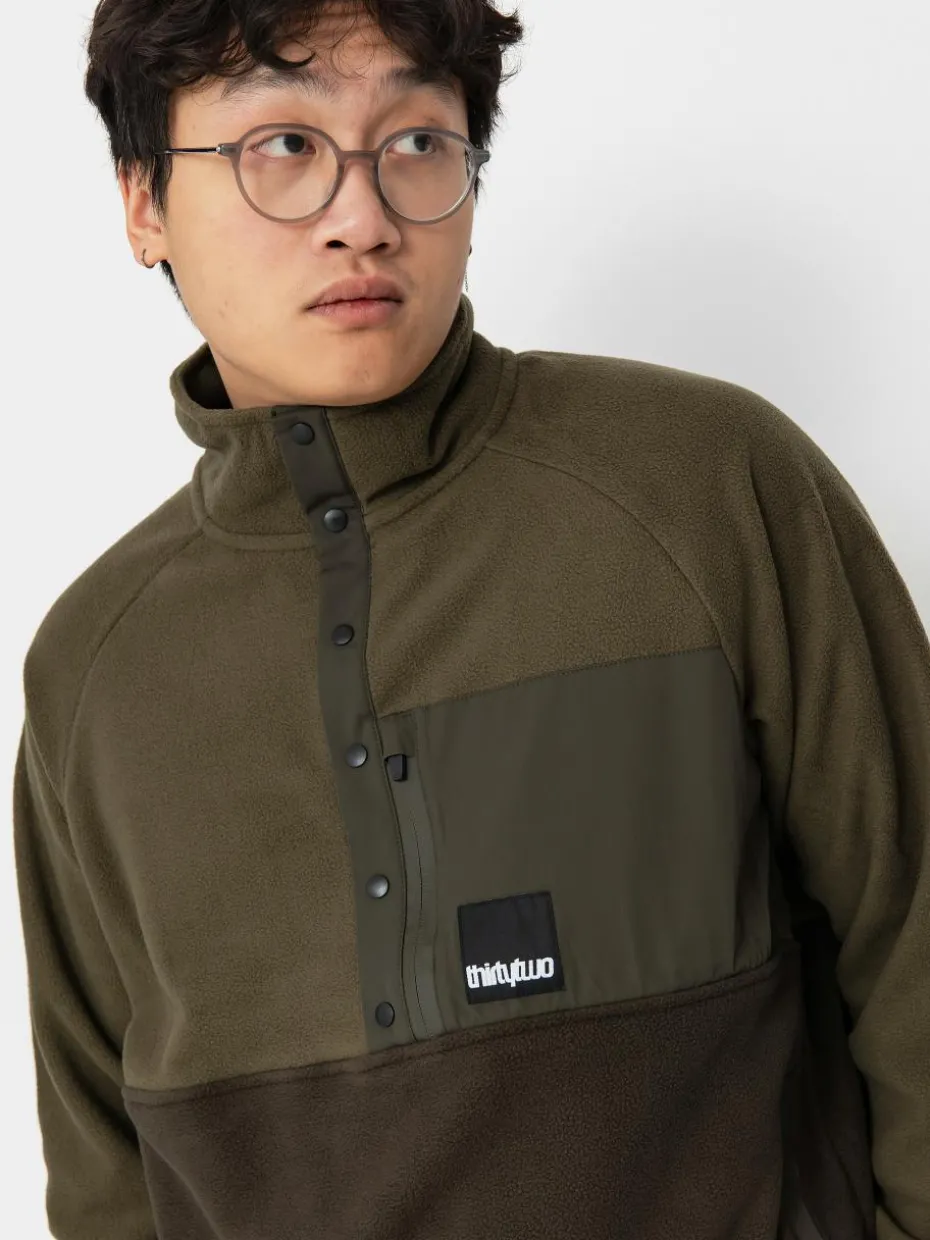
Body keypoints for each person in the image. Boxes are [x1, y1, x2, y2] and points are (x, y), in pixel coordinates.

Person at [11, 1, 930, 1237]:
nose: (362, 216)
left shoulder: (706, 485)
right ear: (143, 203)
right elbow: (105, 1178)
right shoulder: (95, 666)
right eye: (283, 145)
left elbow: (915, 934)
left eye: (417, 142)